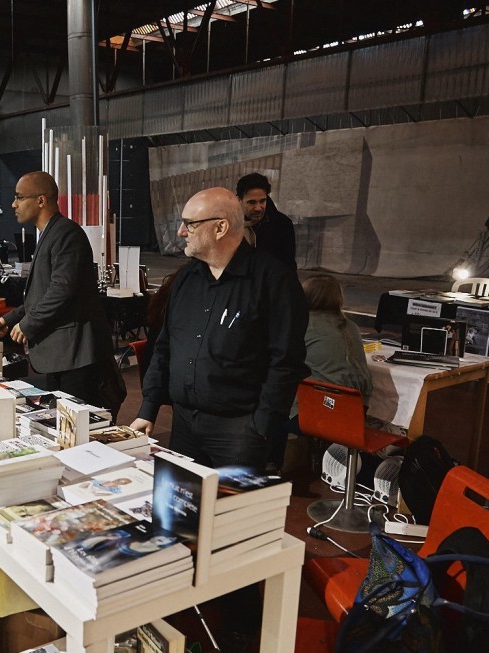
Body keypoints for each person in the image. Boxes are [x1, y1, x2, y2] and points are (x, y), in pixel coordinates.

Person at [132, 186, 308, 470]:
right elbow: (165, 347)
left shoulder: (273, 281)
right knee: (186, 509)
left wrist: (261, 425)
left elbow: (286, 362)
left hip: (240, 431)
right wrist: (149, 408)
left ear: (220, 228)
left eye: (190, 224)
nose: (180, 232)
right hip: (185, 426)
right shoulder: (187, 279)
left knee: (234, 512)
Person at [0, 171, 114, 407]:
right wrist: (10, 319)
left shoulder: (67, 234)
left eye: (19, 197)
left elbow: (61, 290)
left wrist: (28, 323)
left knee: (78, 422)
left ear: (41, 200)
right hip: (61, 353)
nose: (13, 204)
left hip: (75, 355)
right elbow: (42, 293)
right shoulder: (52, 233)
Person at [266, 274, 373, 471]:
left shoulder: (303, 325)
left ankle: (272, 466)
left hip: (321, 415)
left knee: (269, 406)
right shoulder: (352, 326)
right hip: (356, 415)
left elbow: (277, 361)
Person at [236, 172, 297, 272]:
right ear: (239, 200)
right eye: (252, 202)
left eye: (262, 201)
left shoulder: (282, 225)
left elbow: (288, 265)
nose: (258, 208)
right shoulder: (227, 222)